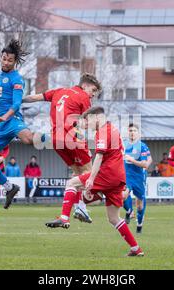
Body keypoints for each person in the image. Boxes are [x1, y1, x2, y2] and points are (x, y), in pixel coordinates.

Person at [45, 106, 144, 256]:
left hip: (107, 174)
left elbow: (99, 156)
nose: (87, 125)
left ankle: (65, 218)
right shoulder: (113, 128)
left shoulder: (103, 131)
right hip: (118, 177)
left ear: (96, 117)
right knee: (113, 218)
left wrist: (91, 178)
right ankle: (136, 249)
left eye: (87, 120)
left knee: (72, 183)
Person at [23, 73, 102, 223]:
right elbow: (88, 122)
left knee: (77, 173)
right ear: (85, 85)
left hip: (56, 141)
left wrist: (16, 101)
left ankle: (76, 211)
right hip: (72, 137)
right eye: (93, 91)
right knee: (90, 174)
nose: (92, 95)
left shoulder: (58, 91)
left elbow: (33, 98)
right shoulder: (83, 97)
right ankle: (81, 207)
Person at [0, 39, 44, 210]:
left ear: (15, 62)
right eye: (4, 59)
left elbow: (15, 104)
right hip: (0, 124)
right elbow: (1, 99)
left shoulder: (17, 79)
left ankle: (52, 134)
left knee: (29, 140)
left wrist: (4, 116)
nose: (6, 62)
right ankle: (9, 187)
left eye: (10, 60)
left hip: (12, 120)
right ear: (1, 57)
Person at [122, 124, 152, 234]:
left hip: (139, 178)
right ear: (127, 132)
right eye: (130, 130)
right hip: (126, 176)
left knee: (139, 205)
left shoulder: (142, 146)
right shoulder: (123, 145)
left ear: (138, 133)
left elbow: (145, 164)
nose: (132, 132)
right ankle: (129, 211)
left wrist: (132, 160)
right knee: (123, 196)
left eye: (134, 130)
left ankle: (139, 224)